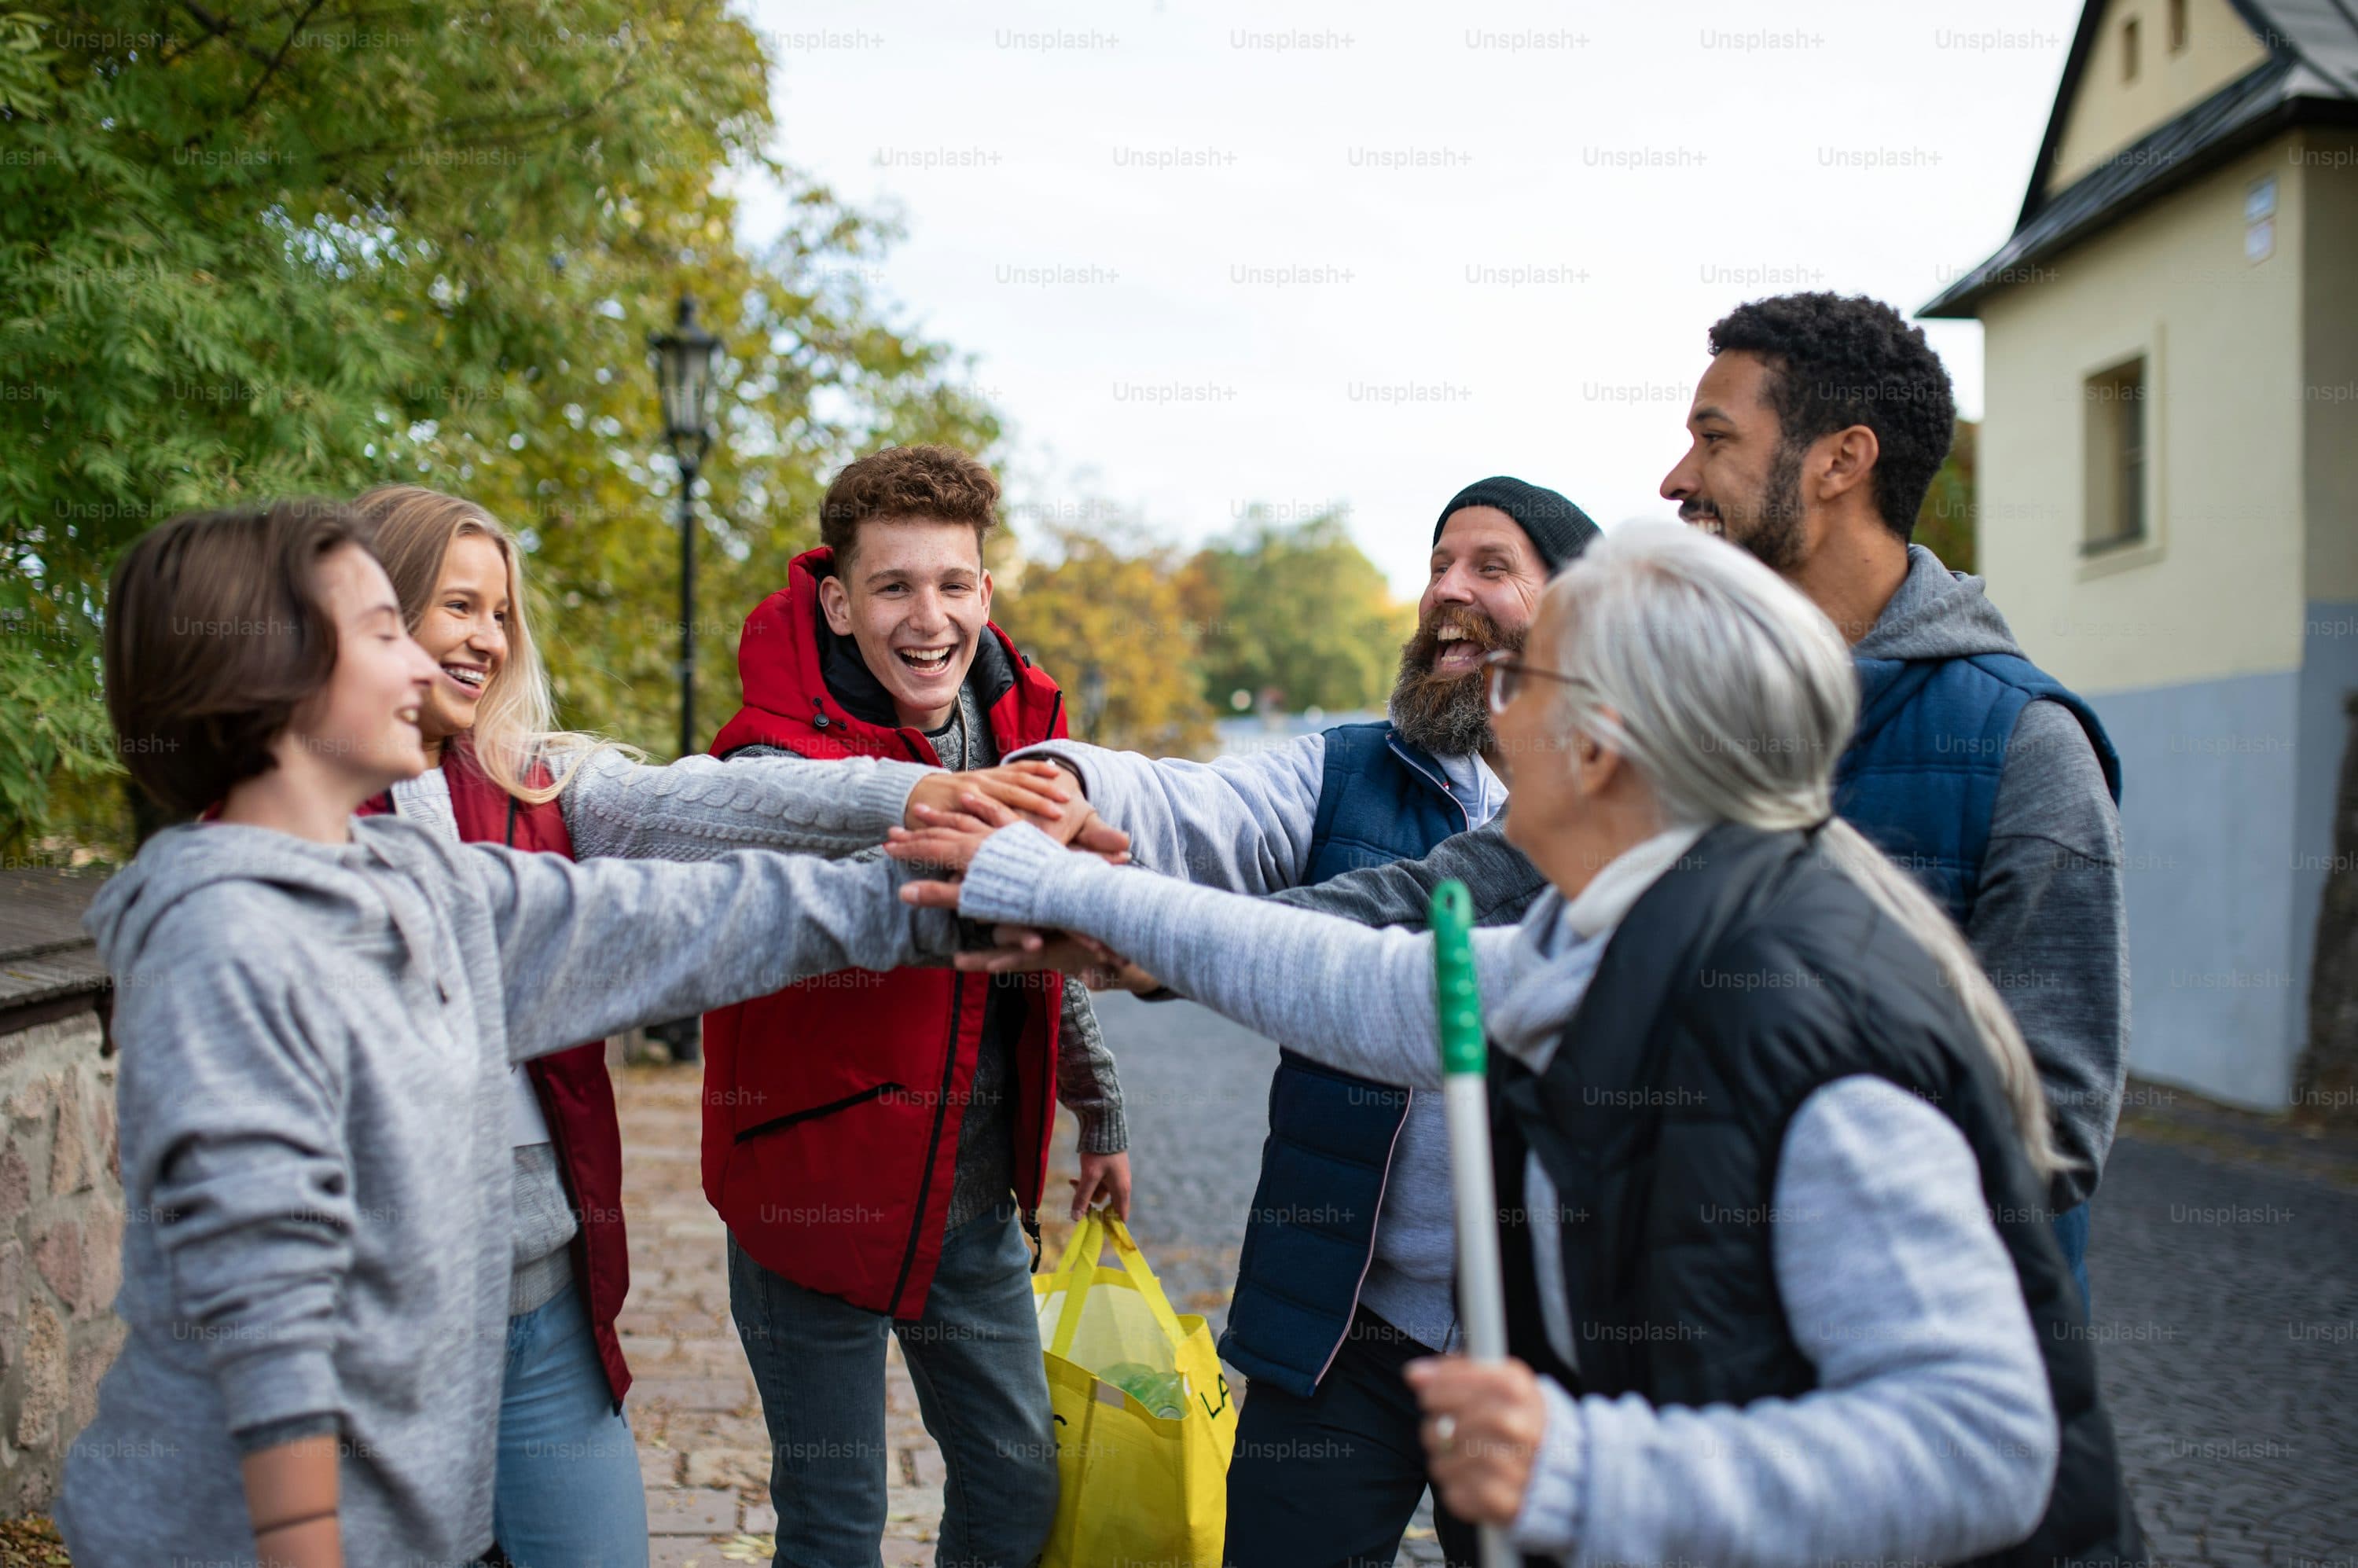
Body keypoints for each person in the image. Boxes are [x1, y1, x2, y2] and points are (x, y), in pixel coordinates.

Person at [894, 523, 2144, 1566]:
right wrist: (1077, 892)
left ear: (1596, 743)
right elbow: (1365, 985)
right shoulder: (1623, 925)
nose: (1493, 722)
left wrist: (1589, 1464)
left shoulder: (1777, 1000)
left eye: (1518, 684)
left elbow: (1984, 1440)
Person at [58, 500, 961, 1568]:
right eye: (388, 628)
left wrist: (956, 889)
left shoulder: (413, 881)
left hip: (515, 1323)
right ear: (277, 671)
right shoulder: (231, 935)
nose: (433, 662)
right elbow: (266, 1309)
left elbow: (678, 919)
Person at [348, 483, 1097, 1566]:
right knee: (835, 1514)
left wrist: (918, 797)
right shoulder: (302, 818)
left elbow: (710, 811)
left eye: (499, 611)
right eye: (453, 604)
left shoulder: (542, 775)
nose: (484, 635)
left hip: (546, 1291)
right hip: (384, 1310)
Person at [1008, 477, 1597, 1567]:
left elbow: (1402, 920)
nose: (1447, 592)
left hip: (1548, 1345)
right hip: (1343, 1321)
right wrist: (1056, 781)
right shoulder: (1347, 769)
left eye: (1490, 567)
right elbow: (1198, 806)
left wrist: (1157, 943)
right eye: (1437, 565)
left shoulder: (1614, 801)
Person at [700, 445, 1129, 1568]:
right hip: (810, 1194)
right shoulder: (766, 755)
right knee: (837, 1524)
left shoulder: (1034, 739)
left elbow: (1041, 949)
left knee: (1016, 1482)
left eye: (952, 584)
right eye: (893, 586)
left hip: (972, 1195)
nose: (927, 615)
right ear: (839, 603)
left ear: (986, 593)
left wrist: (1102, 1111)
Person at [1659, 292, 2127, 1301]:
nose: (1676, 480)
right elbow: (1497, 895)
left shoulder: (2026, 746)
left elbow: (2049, 1124)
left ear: (1839, 461)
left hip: (1930, 1388)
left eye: (1713, 439)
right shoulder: (1692, 725)